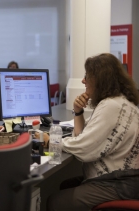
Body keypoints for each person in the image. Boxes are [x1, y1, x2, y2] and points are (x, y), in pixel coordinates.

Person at [47, 53, 139, 211]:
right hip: (121, 178)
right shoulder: (118, 102)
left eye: (87, 76)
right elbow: (83, 136)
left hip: (119, 184)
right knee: (65, 185)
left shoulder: (111, 106)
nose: (83, 80)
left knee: (56, 202)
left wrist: (50, 140)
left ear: (100, 80)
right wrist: (78, 112)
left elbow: (83, 148)